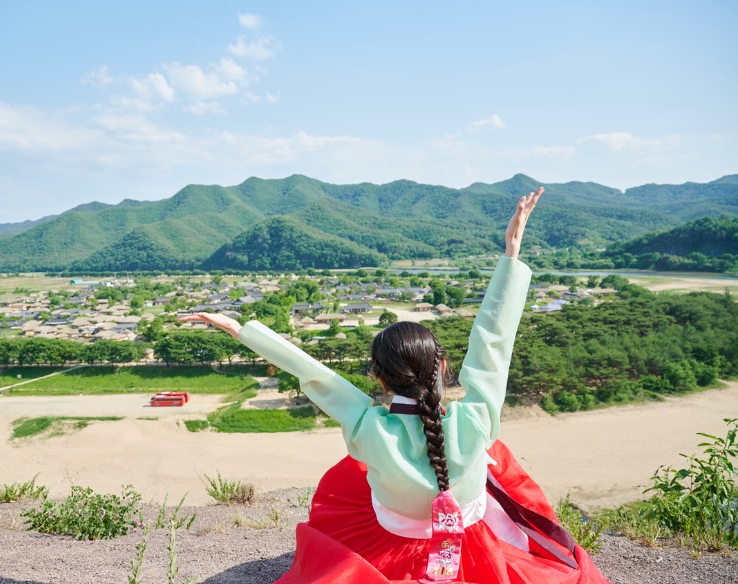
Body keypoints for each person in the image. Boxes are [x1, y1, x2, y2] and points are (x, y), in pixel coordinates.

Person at [181, 188, 611, 583]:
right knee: (494, 453)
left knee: (355, 472)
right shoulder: (476, 419)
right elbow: (492, 342)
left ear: (379, 377)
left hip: (392, 539)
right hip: (473, 533)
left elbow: (315, 374)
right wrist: (511, 256)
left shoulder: (370, 428)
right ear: (443, 366)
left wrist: (240, 329)